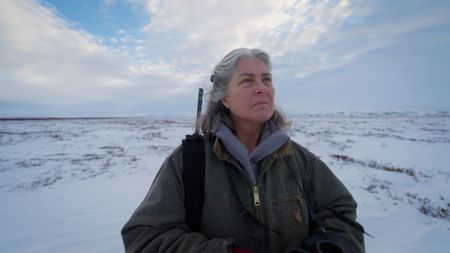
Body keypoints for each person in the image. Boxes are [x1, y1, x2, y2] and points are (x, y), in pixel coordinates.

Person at [121, 48, 366, 253]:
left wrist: (331, 247)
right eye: (248, 80)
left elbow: (343, 217)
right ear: (224, 98)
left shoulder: (300, 162)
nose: (261, 88)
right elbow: (144, 239)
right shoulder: (190, 163)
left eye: (266, 79)